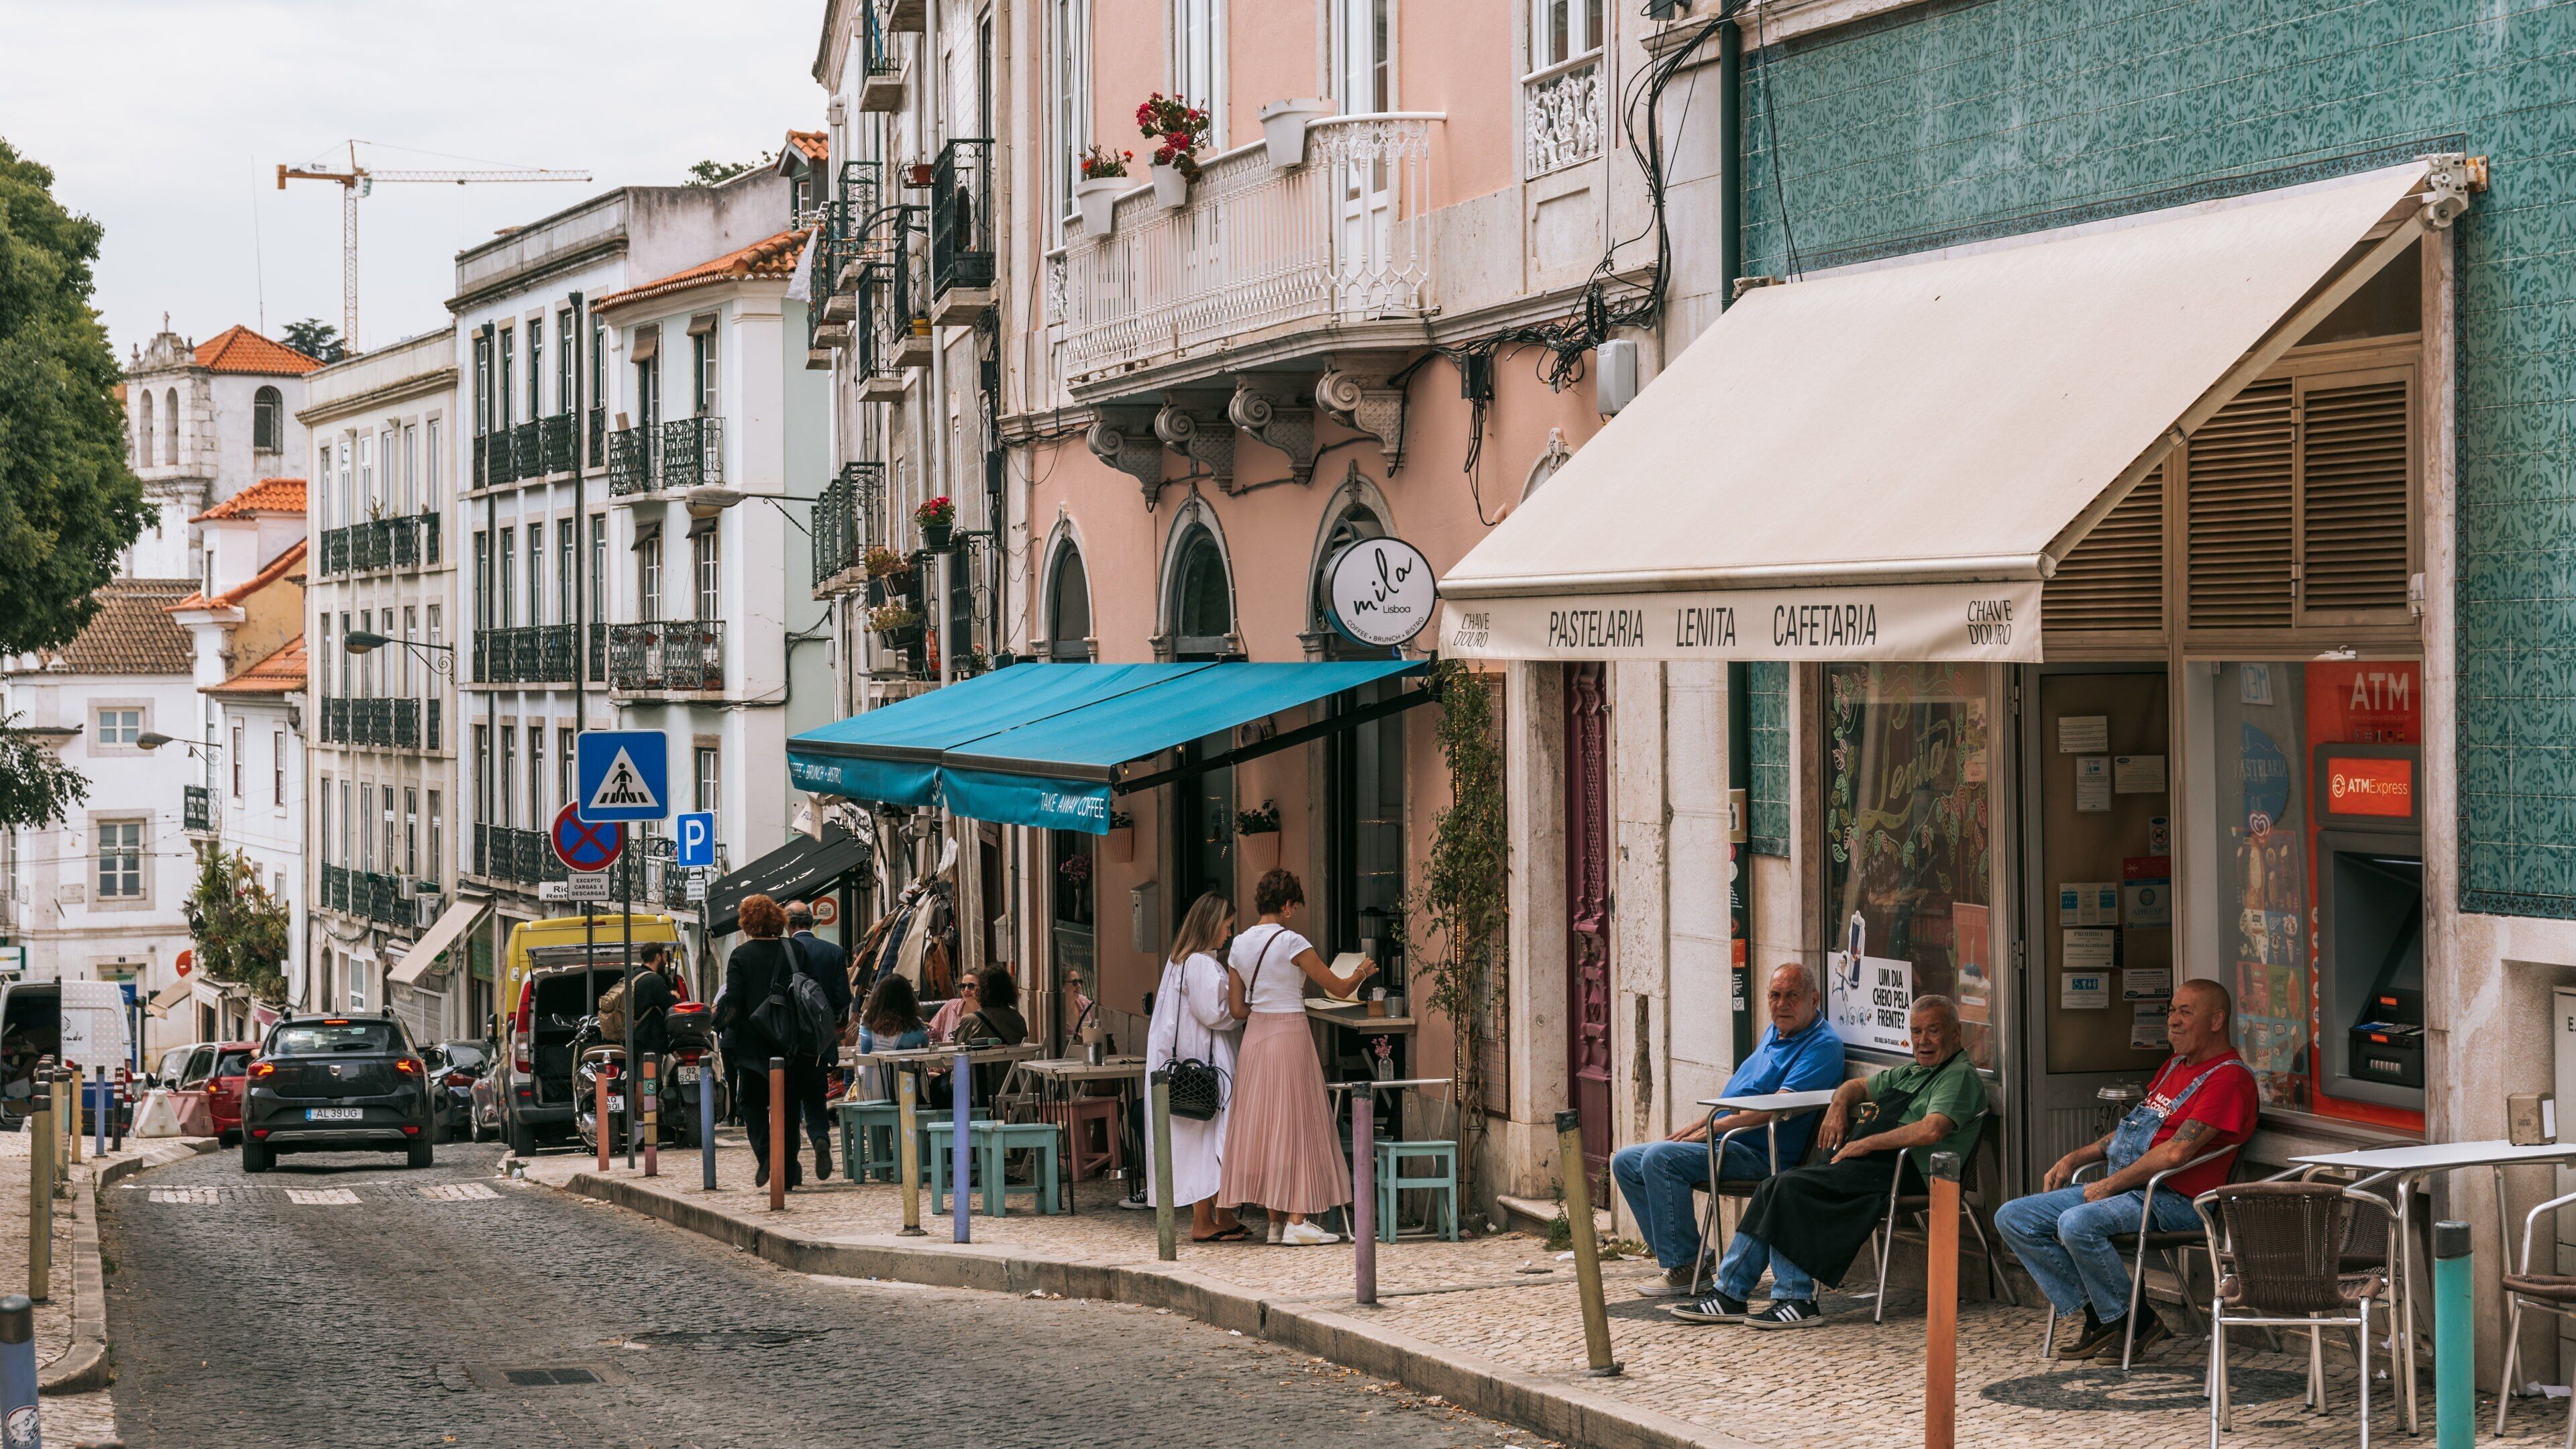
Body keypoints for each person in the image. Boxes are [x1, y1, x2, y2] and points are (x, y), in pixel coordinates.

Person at [1675, 996, 1986, 1328]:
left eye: (1933, 1031)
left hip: (1904, 1174)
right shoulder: (1912, 1072)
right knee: (1773, 1185)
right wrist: (1838, 1106)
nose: (1923, 1041)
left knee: (1791, 1189)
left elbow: (1932, 1129)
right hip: (1870, 1165)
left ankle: (1796, 1299)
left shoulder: (1958, 1076)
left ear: (1956, 1033)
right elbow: (1854, 1086)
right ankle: (1730, 1295)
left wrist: (1866, 1144)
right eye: (1916, 1032)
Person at [1994, 979, 2257, 1359]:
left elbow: (2176, 1153)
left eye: (2186, 1012)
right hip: (2131, 1190)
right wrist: (2076, 1158)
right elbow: (2133, 1129)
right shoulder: (2173, 1067)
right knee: (2014, 1218)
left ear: (2218, 1020)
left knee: (2076, 1223)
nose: (2174, 1021)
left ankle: (2128, 1321)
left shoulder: (2229, 1078)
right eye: (2171, 1011)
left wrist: (2107, 1186)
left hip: (2177, 1202)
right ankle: (2112, 1319)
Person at [1613, 963, 1845, 1296]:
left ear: (1814, 999)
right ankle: (1694, 1257)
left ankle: (1686, 1265)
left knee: (1660, 1159)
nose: (1782, 1005)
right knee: (1626, 1161)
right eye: (1775, 996)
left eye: (1792, 996)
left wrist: (1711, 1126)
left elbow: (1776, 1108)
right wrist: (1709, 1125)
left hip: (1763, 1153)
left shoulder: (1821, 1045)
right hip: (1731, 1139)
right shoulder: (1778, 1029)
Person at [1219, 869, 1377, 1246]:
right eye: (1294, 905)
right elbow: (1337, 989)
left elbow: (1238, 1009)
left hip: (1256, 1037)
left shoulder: (1239, 945)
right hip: (1290, 1034)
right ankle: (1297, 1220)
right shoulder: (1292, 942)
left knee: (1267, 1125)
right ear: (1287, 905)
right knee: (1296, 1121)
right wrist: (1361, 972)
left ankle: (1276, 1224)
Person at [1146, 892, 1248, 1242]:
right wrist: (1244, 1007)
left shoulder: (1179, 961)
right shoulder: (1201, 963)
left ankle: (1223, 1215)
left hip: (1185, 1064)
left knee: (1201, 1139)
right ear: (1211, 925)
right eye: (1226, 926)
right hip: (1207, 1066)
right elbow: (1216, 1013)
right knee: (1209, 1137)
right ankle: (1204, 1221)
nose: (1229, 934)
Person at [713, 893, 805, 1191]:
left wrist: (718, 1022)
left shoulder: (740, 956)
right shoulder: (795, 950)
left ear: (747, 924)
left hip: (752, 1046)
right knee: (789, 1110)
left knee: (751, 1104)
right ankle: (789, 1173)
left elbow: (735, 1000)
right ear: (778, 921)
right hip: (789, 1044)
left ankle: (767, 1156)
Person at [781, 905, 851, 1181]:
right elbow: (843, 998)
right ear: (813, 922)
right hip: (820, 1042)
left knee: (787, 1100)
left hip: (787, 1041)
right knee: (814, 1096)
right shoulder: (833, 952)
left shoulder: (781, 952)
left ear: (788, 925)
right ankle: (820, 1136)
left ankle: (792, 1166)